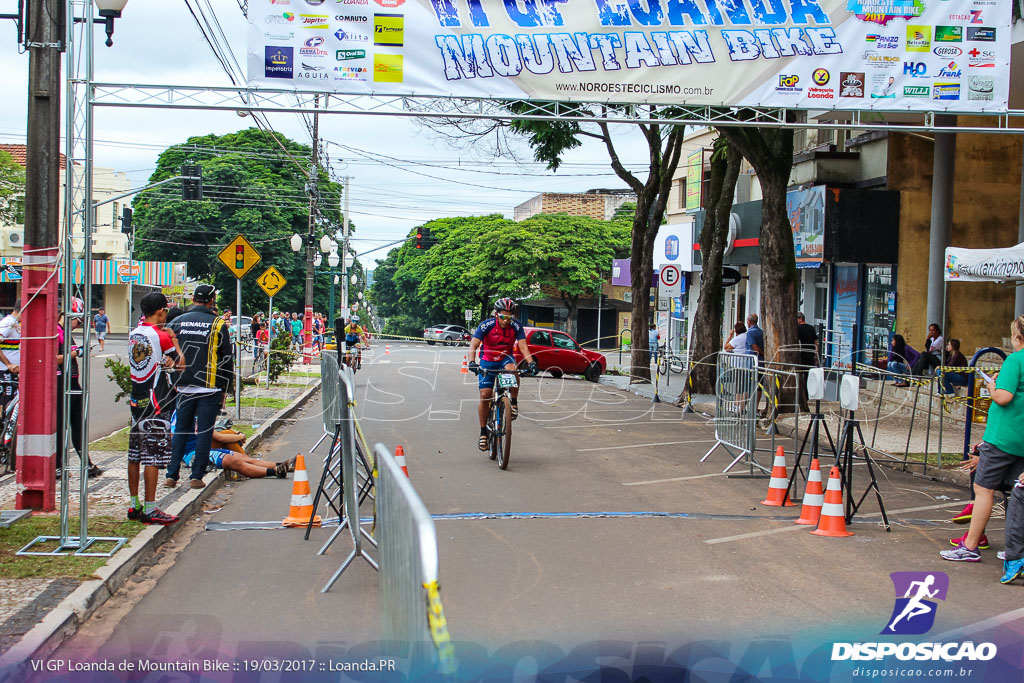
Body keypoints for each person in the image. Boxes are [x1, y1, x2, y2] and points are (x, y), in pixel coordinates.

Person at [941, 316, 1024, 570]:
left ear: (1017, 336)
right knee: (1017, 493)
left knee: (983, 490)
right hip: (1020, 439)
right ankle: (1015, 550)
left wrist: (991, 386)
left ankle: (971, 545)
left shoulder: (1015, 360)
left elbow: (1003, 397)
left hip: (1002, 437)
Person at [166, 284, 233, 490]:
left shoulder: (177, 322)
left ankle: (171, 474)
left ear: (194, 298)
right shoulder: (217, 324)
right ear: (212, 300)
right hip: (209, 386)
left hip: (184, 385)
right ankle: (196, 476)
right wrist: (226, 389)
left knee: (181, 431)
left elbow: (169, 353)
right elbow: (227, 359)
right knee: (204, 432)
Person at [128, 292, 184, 525]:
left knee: (135, 454)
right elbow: (181, 364)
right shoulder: (161, 336)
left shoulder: (134, 333)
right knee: (153, 455)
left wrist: (164, 362)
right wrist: (174, 341)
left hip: (136, 399)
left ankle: (134, 505)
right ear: (161, 311)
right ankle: (151, 508)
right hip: (156, 401)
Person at [466, 298, 538, 451]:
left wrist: (531, 362)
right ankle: (483, 432)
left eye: (509, 317)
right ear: (496, 314)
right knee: (485, 395)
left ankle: (513, 403)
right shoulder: (486, 325)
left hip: (506, 358)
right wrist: (472, 362)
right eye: (503, 317)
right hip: (487, 359)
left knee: (514, 370)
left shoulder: (516, 326)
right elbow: (474, 344)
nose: (506, 320)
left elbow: (523, 346)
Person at [56, 301, 102, 479]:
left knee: (78, 424)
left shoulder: (67, 333)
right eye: (78, 321)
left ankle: (86, 463)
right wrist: (77, 353)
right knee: (61, 424)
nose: (78, 325)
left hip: (73, 382)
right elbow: (55, 358)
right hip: (61, 381)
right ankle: (58, 465)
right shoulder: (57, 332)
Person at [173, 414, 296, 479]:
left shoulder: (197, 415)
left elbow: (216, 434)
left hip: (206, 448)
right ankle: (272, 472)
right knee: (232, 460)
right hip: (193, 453)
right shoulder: (180, 415)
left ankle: (282, 465)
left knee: (246, 459)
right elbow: (173, 438)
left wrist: (237, 434)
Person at [0, 300, 21, 409]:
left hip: (12, 372)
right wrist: (8, 364)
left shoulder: (16, 323)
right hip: (4, 370)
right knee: (5, 403)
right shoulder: (8, 322)